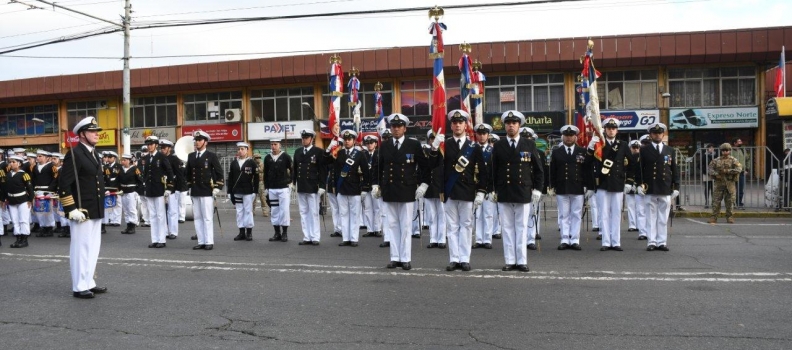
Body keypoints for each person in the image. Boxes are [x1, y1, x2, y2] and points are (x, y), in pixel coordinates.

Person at [58, 116, 108, 299]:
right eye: (92, 131)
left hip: (94, 208)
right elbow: (64, 183)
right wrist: (71, 208)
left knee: (93, 248)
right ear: (82, 134)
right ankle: (79, 286)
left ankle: (89, 281)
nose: (97, 134)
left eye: (97, 131)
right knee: (81, 248)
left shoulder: (94, 153)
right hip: (81, 210)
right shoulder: (74, 153)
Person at [373, 113, 430, 270]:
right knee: (392, 225)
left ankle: (405, 258)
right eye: (393, 126)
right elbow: (379, 167)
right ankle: (394, 257)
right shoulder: (385, 145)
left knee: (405, 226)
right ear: (390, 128)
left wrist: (423, 184)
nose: (396, 129)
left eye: (399, 126)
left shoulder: (413, 145)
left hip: (407, 189)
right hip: (389, 188)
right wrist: (375, 184)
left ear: (405, 128)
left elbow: (424, 166)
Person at [491, 111, 544, 272]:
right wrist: (492, 189)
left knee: (521, 227)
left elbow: (538, 169)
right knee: (507, 228)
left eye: (514, 123)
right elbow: (493, 169)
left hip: (523, 190)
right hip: (505, 190)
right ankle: (510, 260)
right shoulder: (499, 145)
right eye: (508, 123)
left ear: (519, 125)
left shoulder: (529, 144)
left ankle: (521, 260)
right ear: (504, 126)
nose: (511, 126)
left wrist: (538, 189)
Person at [440, 110, 487, 271]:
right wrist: (434, 149)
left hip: (467, 191)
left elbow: (482, 170)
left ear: (466, 125)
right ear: (451, 125)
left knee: (466, 225)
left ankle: (464, 258)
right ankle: (454, 258)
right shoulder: (444, 144)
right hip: (450, 190)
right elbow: (437, 168)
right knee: (452, 226)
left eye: (460, 122)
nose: (457, 125)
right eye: (454, 123)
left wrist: (481, 190)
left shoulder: (473, 147)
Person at [585, 118, 635, 252]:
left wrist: (629, 181)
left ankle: (616, 241)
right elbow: (587, 163)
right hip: (602, 183)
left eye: (613, 128)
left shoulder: (623, 145)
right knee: (604, 214)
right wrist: (590, 148)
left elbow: (631, 165)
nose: (611, 130)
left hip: (618, 183)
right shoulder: (599, 144)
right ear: (605, 130)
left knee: (616, 214)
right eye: (609, 128)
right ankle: (606, 242)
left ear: (617, 130)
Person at [635, 123, 680, 251]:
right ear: (651, 135)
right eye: (655, 133)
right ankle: (652, 241)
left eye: (659, 133)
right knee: (650, 216)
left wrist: (676, 186)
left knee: (663, 217)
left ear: (663, 134)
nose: (657, 135)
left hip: (665, 187)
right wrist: (639, 184)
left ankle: (662, 242)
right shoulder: (644, 150)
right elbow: (640, 170)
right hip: (650, 187)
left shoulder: (669, 150)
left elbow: (674, 169)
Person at [328, 130, 370, 247]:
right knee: (343, 214)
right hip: (341, 188)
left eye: (349, 139)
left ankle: (354, 238)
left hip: (354, 188)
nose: (347, 141)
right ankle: (345, 238)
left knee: (355, 214)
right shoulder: (339, 153)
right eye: (345, 140)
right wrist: (335, 187)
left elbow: (366, 172)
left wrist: (365, 188)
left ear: (354, 141)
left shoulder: (359, 154)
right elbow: (334, 170)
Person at [550, 125, 587, 251]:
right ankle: (565, 239)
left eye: (571, 136)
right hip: (562, 186)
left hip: (578, 186)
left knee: (576, 214)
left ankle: (575, 239)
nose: (569, 138)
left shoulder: (582, 151)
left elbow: (586, 171)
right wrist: (551, 185)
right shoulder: (556, 152)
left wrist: (588, 186)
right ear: (563, 137)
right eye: (566, 135)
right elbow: (552, 170)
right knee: (564, 215)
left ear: (575, 137)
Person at [186, 130, 224, 250]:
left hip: (207, 190)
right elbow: (187, 174)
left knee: (207, 217)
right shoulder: (191, 156)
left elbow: (219, 173)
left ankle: (209, 241)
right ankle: (201, 241)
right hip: (195, 190)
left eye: (199, 140)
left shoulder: (211, 156)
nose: (197, 143)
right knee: (197, 217)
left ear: (205, 142)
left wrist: (218, 187)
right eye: (196, 140)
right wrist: (189, 187)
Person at [294, 129, 326, 246]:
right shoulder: (298, 152)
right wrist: (293, 183)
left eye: (306, 138)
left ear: (311, 139)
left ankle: (315, 236)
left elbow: (322, 170)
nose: (304, 140)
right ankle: (306, 236)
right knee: (303, 212)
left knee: (313, 212)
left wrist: (322, 185)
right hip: (301, 185)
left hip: (313, 186)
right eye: (303, 138)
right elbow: (295, 169)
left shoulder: (318, 152)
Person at [142, 136, 174, 248]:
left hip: (160, 189)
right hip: (150, 189)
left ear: (156, 145)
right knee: (153, 216)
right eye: (148, 144)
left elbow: (170, 172)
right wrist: (144, 185)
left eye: (151, 144)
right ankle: (154, 239)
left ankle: (162, 239)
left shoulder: (161, 157)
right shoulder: (146, 158)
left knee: (160, 215)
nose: (149, 146)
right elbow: (145, 174)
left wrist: (169, 188)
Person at [228, 142, 259, 242]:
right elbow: (230, 178)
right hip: (237, 191)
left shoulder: (251, 163)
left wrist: (255, 191)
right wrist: (229, 191)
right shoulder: (234, 163)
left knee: (248, 211)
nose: (240, 151)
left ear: (247, 150)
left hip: (248, 191)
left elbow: (256, 178)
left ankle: (249, 232)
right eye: (239, 149)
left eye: (242, 149)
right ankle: (241, 232)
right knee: (239, 212)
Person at [472, 123, 495, 250]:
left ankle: (487, 239)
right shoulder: (472, 149)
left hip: (488, 187)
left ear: (488, 135)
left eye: (484, 134)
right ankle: (478, 239)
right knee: (477, 214)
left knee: (488, 214)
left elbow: (495, 170)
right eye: (479, 134)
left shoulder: (492, 151)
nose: (481, 136)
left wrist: (492, 188)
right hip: (475, 186)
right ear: (476, 135)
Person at [263, 138, 292, 242]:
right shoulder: (267, 158)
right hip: (272, 189)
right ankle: (277, 233)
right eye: (272, 144)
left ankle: (284, 233)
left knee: (284, 211)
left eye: (275, 144)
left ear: (280, 145)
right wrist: (266, 187)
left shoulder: (286, 157)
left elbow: (292, 170)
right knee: (274, 211)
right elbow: (265, 174)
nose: (273, 146)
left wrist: (290, 182)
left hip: (283, 188)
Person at [708, 143, 742, 224]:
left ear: (729, 151)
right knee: (716, 202)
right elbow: (710, 169)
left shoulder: (734, 160)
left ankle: (729, 217)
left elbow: (739, 169)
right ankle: (714, 217)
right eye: (723, 150)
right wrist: (716, 174)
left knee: (730, 202)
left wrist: (728, 171)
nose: (725, 152)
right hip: (719, 184)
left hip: (730, 184)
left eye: (727, 150)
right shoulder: (716, 160)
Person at [5, 155, 34, 248]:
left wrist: (30, 200)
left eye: (14, 162)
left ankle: (24, 239)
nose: (11, 164)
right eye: (10, 162)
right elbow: (5, 188)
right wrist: (4, 199)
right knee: (15, 220)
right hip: (12, 200)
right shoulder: (8, 174)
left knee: (23, 220)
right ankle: (18, 238)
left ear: (19, 164)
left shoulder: (24, 174)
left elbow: (30, 189)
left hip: (23, 200)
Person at [424, 130, 446, 248]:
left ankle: (442, 239)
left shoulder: (443, 152)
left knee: (441, 214)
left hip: (440, 187)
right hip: (429, 187)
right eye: (432, 139)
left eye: (435, 138)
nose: (433, 141)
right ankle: (433, 238)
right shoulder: (426, 151)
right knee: (431, 215)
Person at [159, 139, 183, 240]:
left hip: (172, 188)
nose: (162, 149)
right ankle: (164, 231)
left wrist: (178, 188)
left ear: (169, 148)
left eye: (164, 148)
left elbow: (178, 175)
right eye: (161, 148)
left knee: (172, 211)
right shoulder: (159, 158)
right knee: (162, 211)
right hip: (161, 187)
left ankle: (173, 231)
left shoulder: (174, 159)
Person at [360, 135, 382, 238]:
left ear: (375, 144)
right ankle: (370, 229)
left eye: (371, 143)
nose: (369, 145)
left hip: (376, 185)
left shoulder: (379, 154)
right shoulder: (363, 154)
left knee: (377, 208)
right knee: (367, 208)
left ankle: (377, 228)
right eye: (367, 143)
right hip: (365, 185)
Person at [32, 150, 57, 237]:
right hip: (38, 191)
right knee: (39, 211)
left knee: (48, 210)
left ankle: (49, 228)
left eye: (40, 156)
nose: (38, 158)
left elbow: (55, 178)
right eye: (37, 156)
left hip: (47, 191)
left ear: (47, 158)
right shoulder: (35, 167)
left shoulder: (51, 166)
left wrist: (50, 190)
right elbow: (33, 179)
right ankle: (42, 227)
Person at [118, 154, 143, 234]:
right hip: (123, 191)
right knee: (125, 209)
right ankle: (128, 225)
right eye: (122, 160)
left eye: (125, 160)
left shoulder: (135, 169)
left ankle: (132, 225)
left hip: (131, 191)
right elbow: (117, 180)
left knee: (131, 209)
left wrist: (137, 191)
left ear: (129, 160)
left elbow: (140, 180)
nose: (123, 162)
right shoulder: (120, 169)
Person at [625, 140, 641, 235]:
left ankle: (639, 225)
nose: (636, 149)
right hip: (629, 183)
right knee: (630, 206)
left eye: (637, 147)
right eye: (634, 147)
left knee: (640, 207)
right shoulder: (627, 158)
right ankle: (632, 225)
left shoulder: (642, 158)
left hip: (638, 184)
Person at [103, 152, 123, 228]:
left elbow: (120, 177)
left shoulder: (119, 166)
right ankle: (111, 219)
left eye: (110, 157)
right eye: (108, 157)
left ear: (114, 158)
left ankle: (117, 220)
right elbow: (104, 177)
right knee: (109, 204)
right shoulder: (105, 166)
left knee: (118, 204)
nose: (108, 159)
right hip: (108, 188)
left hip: (116, 187)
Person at [732, 138, 748, 209]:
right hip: (733, 172)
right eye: (739, 141)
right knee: (732, 189)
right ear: (734, 143)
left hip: (742, 172)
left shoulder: (742, 150)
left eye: (741, 141)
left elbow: (747, 159)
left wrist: (747, 169)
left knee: (740, 189)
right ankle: (733, 203)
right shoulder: (730, 151)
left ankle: (739, 203)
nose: (740, 143)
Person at [253, 153, 270, 218]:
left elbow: (262, 170)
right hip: (254, 182)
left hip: (261, 182)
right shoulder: (252, 164)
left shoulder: (262, 164)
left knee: (262, 198)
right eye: (256, 158)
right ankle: (252, 211)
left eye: (259, 158)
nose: (258, 159)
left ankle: (265, 211)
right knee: (253, 198)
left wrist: (257, 167)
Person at [701, 144, 717, 209]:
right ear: (707, 149)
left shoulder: (716, 155)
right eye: (710, 148)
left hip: (714, 174)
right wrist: (706, 171)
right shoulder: (704, 155)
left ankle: (714, 202)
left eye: (712, 147)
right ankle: (706, 202)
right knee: (707, 188)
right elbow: (700, 165)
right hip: (706, 174)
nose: (712, 149)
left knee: (714, 189)